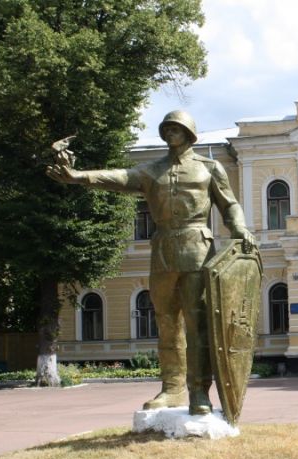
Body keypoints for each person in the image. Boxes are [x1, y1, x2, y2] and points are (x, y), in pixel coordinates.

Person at [47, 110, 254, 415]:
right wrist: (78, 177)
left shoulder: (210, 168)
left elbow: (230, 204)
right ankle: (172, 389)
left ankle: (199, 392)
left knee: (198, 326)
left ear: (190, 133)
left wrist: (240, 228)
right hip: (162, 253)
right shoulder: (152, 170)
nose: (171, 132)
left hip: (199, 251)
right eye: (167, 127)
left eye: (177, 127)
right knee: (167, 324)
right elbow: (118, 177)